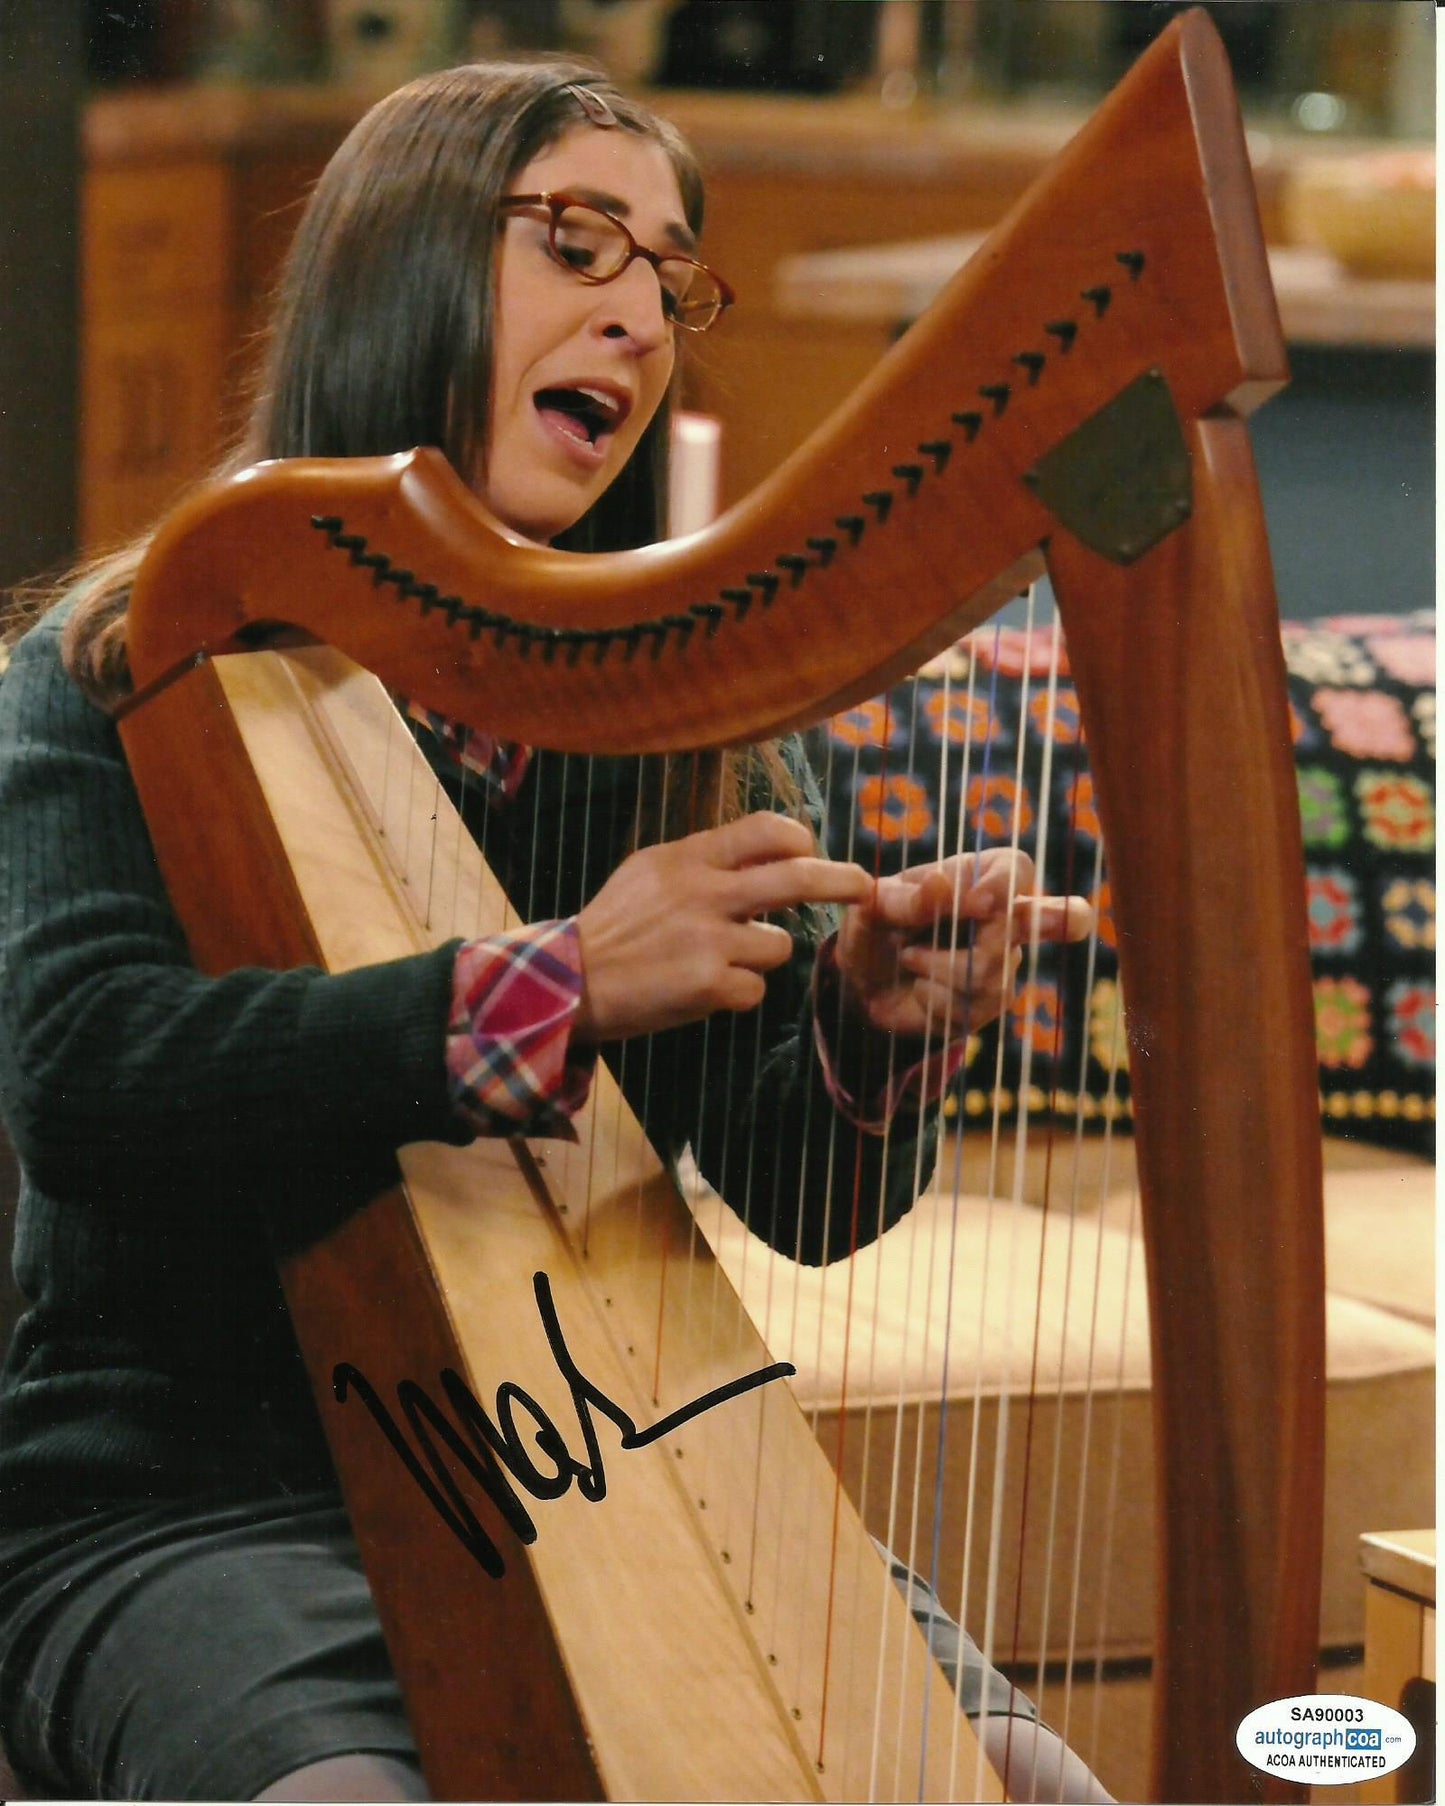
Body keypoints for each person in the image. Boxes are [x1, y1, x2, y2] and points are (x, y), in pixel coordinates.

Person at [0, 59, 1105, 1803]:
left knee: (1026, 1779)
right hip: (191, 1504)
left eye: (669, 279)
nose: (640, 317)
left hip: (603, 1463)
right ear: (405, 266)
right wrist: (561, 982)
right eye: (577, 244)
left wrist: (869, 1027)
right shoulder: (118, 673)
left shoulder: (695, 729)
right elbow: (84, 1078)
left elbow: (803, 1203)